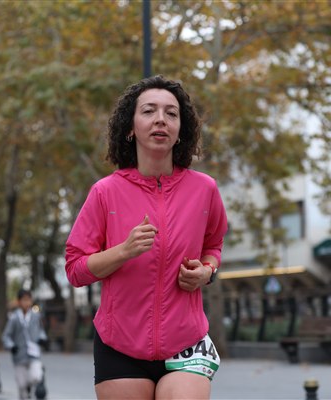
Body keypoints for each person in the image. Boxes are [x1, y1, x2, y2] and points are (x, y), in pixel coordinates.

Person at [65, 75, 228, 400]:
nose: (160, 119)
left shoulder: (204, 189)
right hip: (119, 345)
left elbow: (213, 245)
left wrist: (207, 271)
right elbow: (75, 269)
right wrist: (123, 251)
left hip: (186, 342)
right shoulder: (105, 192)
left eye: (171, 113)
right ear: (130, 127)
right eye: (149, 111)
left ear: (180, 130)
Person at [2, 288, 48, 400]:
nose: (27, 303)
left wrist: (42, 338)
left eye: (29, 300)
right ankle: (25, 391)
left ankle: (29, 386)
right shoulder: (14, 318)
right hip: (19, 355)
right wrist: (11, 346)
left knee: (36, 376)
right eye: (24, 300)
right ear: (19, 302)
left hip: (34, 354)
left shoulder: (36, 316)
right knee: (21, 384)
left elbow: (41, 330)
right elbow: (6, 336)